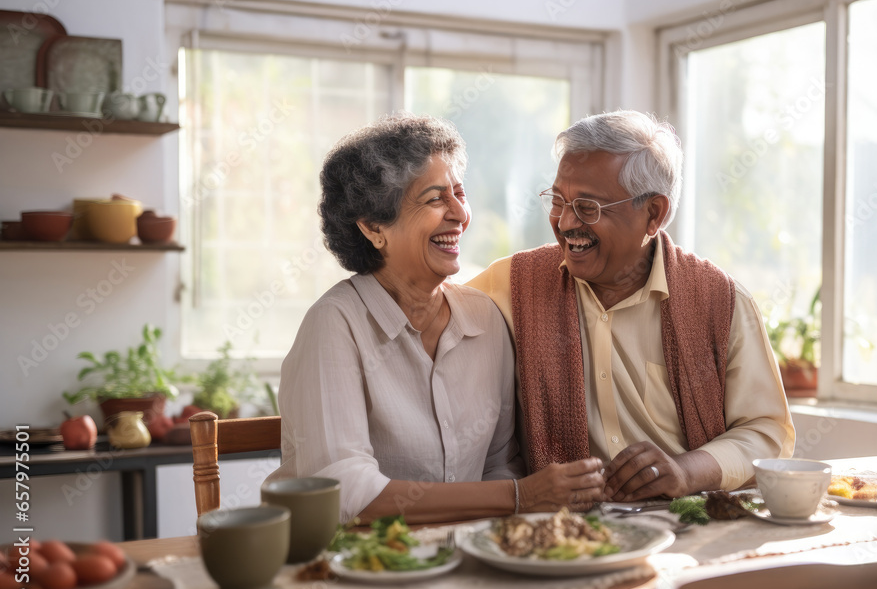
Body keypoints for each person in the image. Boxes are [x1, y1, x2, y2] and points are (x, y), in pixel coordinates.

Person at [267, 113, 605, 524]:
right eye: (434, 199)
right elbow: (346, 494)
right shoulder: (334, 325)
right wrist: (519, 496)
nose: (460, 214)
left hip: (461, 556)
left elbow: (500, 463)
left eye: (459, 193)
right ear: (375, 227)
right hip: (357, 563)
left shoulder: (485, 320)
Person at [468, 110, 796, 503]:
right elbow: (428, 313)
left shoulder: (721, 303)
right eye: (558, 200)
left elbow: (767, 433)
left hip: (688, 523)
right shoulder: (510, 284)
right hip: (563, 537)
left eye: (589, 207)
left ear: (654, 213)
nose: (565, 222)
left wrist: (685, 472)